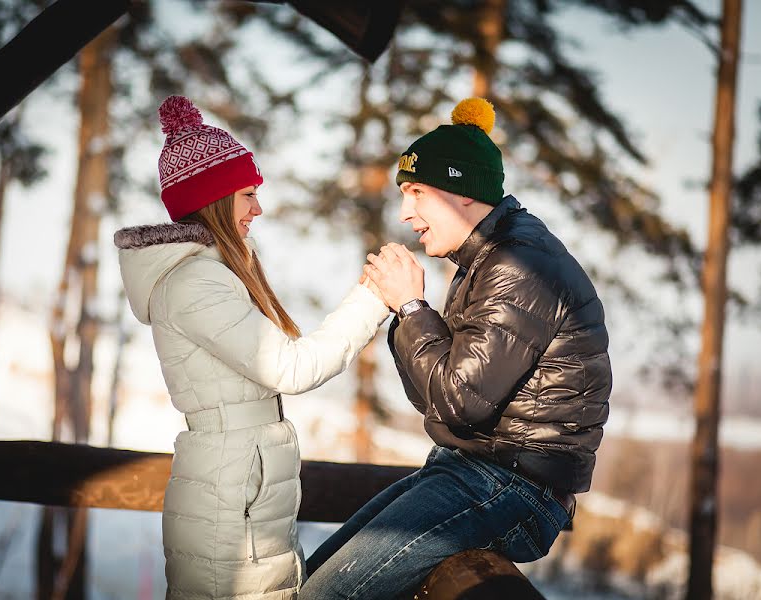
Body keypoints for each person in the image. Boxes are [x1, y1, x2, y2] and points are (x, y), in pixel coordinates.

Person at [301, 98, 612, 599]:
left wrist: (411, 307)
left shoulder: (518, 267)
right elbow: (435, 395)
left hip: (513, 489)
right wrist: (406, 311)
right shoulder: (487, 259)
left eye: (417, 193)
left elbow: (458, 400)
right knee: (312, 576)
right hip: (469, 470)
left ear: (461, 192)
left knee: (327, 596)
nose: (405, 213)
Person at [115, 96, 390, 600]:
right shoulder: (197, 283)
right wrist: (373, 298)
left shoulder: (209, 276)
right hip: (231, 504)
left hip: (239, 493)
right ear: (216, 198)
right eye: (247, 195)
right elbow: (289, 368)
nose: (258, 209)